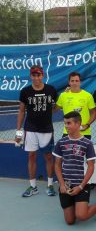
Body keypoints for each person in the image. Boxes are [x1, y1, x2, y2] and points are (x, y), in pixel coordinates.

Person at [53, 111, 96, 225]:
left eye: (69, 123)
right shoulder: (61, 142)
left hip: (81, 185)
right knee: (70, 221)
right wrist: (62, 184)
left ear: (78, 124)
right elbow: (57, 165)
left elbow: (91, 167)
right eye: (65, 123)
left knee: (81, 216)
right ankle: (76, 204)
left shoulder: (87, 143)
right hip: (66, 185)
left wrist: (80, 186)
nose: (66, 126)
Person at [16, 65, 57, 197]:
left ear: (42, 75)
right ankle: (33, 187)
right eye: (34, 75)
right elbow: (22, 110)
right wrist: (18, 131)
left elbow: (56, 107)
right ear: (30, 76)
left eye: (38, 75)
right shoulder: (25, 91)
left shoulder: (51, 90)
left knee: (49, 157)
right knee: (31, 156)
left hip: (47, 128)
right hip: (31, 129)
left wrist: (46, 112)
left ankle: (50, 185)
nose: (36, 77)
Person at [56, 72, 96, 139]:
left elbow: (94, 113)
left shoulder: (88, 96)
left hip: (84, 133)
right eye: (72, 81)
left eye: (77, 81)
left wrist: (87, 125)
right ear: (69, 82)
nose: (74, 83)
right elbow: (54, 109)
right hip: (67, 133)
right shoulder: (63, 95)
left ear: (80, 82)